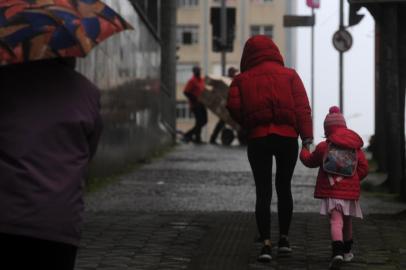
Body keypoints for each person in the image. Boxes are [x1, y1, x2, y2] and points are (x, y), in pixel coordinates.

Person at [0, 58, 102, 270]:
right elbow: (88, 152)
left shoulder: (6, 81)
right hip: (59, 221)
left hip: (7, 216)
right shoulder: (87, 91)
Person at [226, 35, 313, 262]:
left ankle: (265, 244)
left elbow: (233, 105)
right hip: (286, 139)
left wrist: (248, 122)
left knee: (263, 191)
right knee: (284, 187)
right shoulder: (291, 75)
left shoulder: (241, 80)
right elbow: (302, 107)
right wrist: (307, 138)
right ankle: (284, 239)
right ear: (274, 51)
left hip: (258, 139)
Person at [300, 106, 368, 269]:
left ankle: (336, 252)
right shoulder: (355, 147)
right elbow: (364, 168)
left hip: (331, 191)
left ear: (327, 129)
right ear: (344, 126)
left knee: (335, 221)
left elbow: (309, 161)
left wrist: (304, 149)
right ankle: (346, 252)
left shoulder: (324, 146)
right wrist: (354, 179)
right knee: (347, 220)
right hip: (350, 193)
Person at [209, 66, 238, 144]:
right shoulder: (227, 81)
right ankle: (213, 138)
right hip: (227, 106)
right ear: (230, 73)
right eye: (234, 72)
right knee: (223, 122)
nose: (235, 74)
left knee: (223, 122)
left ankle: (213, 138)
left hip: (230, 106)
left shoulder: (231, 80)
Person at [183, 66, 208, 144]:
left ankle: (189, 135)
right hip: (195, 105)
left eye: (199, 70)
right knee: (200, 121)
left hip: (202, 104)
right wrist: (194, 99)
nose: (199, 72)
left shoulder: (201, 80)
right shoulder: (192, 81)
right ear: (194, 72)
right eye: (197, 71)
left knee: (204, 121)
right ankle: (196, 138)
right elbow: (186, 92)